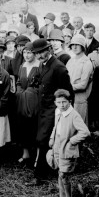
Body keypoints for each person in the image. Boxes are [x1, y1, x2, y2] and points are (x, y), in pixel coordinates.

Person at [30, 38, 73, 184]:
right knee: (44, 140)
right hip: (43, 108)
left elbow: (67, 92)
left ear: (49, 50)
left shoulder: (58, 67)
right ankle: (49, 169)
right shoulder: (43, 65)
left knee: (44, 140)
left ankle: (39, 176)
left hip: (54, 110)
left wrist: (61, 111)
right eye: (37, 53)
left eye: (42, 52)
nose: (40, 56)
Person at [48, 89, 90, 197]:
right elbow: (56, 127)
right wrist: (52, 138)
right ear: (55, 102)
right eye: (59, 102)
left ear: (69, 102)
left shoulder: (73, 115)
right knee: (59, 172)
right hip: (57, 144)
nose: (62, 105)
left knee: (64, 174)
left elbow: (85, 132)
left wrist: (72, 141)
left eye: (64, 102)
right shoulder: (58, 111)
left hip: (67, 147)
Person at [15, 42, 41, 166]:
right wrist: (19, 91)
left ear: (34, 53)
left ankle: (37, 156)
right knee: (22, 126)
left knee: (34, 126)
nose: (27, 55)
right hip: (22, 100)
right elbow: (19, 81)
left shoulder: (39, 66)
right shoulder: (22, 66)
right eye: (25, 52)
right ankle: (25, 153)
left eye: (29, 52)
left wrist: (30, 93)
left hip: (34, 101)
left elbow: (40, 84)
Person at [66, 35, 94, 123]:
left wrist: (67, 87)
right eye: (72, 44)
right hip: (69, 97)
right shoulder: (70, 61)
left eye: (77, 44)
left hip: (80, 99)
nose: (74, 47)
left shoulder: (86, 62)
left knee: (80, 125)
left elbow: (83, 85)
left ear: (82, 46)